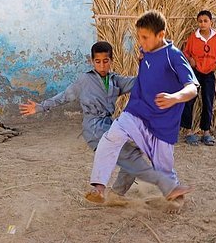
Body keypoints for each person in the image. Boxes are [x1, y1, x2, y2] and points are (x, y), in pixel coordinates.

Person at [20, 41, 182, 202]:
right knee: (130, 157)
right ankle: (101, 189)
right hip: (93, 127)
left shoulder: (115, 80)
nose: (102, 65)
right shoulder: (85, 80)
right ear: (92, 61)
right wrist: (41, 107)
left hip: (109, 124)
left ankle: (116, 194)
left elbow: (139, 83)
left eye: (106, 61)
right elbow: (64, 96)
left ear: (111, 61)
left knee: (133, 153)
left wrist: (146, 62)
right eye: (98, 61)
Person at [88, 10, 198, 202]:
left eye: (145, 37)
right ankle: (98, 187)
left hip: (162, 124)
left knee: (163, 168)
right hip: (136, 112)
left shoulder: (173, 56)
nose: (141, 42)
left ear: (161, 35)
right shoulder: (146, 53)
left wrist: (174, 97)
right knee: (111, 137)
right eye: (138, 37)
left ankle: (173, 196)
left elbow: (192, 88)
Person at [180, 10, 216, 146]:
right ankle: (188, 131)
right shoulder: (193, 38)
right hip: (195, 73)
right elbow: (186, 52)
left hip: (209, 74)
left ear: (211, 22)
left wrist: (214, 66)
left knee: (208, 101)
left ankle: (206, 132)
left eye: (205, 21)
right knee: (190, 100)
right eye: (200, 21)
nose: (203, 23)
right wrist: (190, 60)